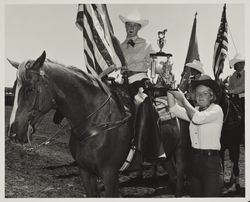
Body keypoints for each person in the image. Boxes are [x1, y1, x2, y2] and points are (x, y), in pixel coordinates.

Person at [167, 75, 223, 197]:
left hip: (211, 164)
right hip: (194, 161)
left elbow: (197, 118)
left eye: (205, 93)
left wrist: (182, 99)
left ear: (212, 96)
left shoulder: (216, 110)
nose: (200, 96)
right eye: (197, 94)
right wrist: (170, 89)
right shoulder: (195, 110)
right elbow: (174, 109)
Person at [119, 11, 155, 103]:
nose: (131, 27)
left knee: (142, 103)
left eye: (134, 25)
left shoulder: (146, 44)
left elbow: (153, 64)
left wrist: (165, 69)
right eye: (129, 25)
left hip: (139, 81)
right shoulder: (119, 46)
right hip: (122, 82)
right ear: (125, 26)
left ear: (139, 28)